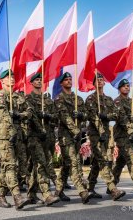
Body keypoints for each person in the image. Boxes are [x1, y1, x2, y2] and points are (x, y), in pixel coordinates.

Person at [0, 70, 30, 210]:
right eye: (8, 77)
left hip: (18, 135)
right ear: (2, 81)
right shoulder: (0, 95)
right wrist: (12, 130)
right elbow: (3, 116)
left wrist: (18, 114)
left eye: (13, 76)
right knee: (9, 166)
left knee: (9, 166)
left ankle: (0, 196)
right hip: (5, 136)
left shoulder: (18, 96)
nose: (12, 79)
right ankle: (17, 197)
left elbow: (29, 112)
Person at [54, 72, 93, 204]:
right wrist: (76, 130)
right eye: (66, 80)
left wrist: (81, 114)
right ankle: (82, 191)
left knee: (67, 164)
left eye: (71, 79)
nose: (69, 81)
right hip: (66, 136)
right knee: (74, 161)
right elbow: (64, 117)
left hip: (77, 137)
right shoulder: (59, 99)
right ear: (61, 83)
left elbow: (87, 115)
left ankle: (58, 190)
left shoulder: (78, 100)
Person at [85, 73, 125, 201]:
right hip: (95, 134)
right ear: (94, 83)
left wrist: (106, 117)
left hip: (107, 134)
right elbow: (93, 116)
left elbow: (116, 115)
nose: (100, 81)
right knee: (102, 160)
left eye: (102, 79)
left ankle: (90, 188)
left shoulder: (108, 99)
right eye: (98, 80)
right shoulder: (90, 99)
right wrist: (101, 130)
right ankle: (113, 189)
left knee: (97, 162)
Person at [25, 73, 61, 206]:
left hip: (47, 136)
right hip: (34, 136)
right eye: (37, 80)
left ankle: (31, 194)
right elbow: (30, 117)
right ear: (32, 83)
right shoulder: (28, 99)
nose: (39, 82)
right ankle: (46, 194)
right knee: (41, 163)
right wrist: (39, 127)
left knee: (38, 164)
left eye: (41, 80)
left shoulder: (48, 100)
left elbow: (56, 117)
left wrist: (47, 116)